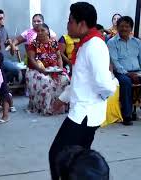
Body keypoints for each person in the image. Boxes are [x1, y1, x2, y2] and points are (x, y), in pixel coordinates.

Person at [49, 2, 116, 180]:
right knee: (76, 159)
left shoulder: (95, 46)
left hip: (85, 114)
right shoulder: (86, 44)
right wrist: (62, 99)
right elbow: (81, 80)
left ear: (82, 24)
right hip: (82, 110)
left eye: (70, 21)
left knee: (58, 155)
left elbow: (105, 84)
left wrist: (100, 98)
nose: (67, 25)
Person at [26, 23, 69, 115]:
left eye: (43, 30)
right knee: (46, 81)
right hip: (36, 70)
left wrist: (60, 69)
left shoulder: (53, 43)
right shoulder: (33, 44)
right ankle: (47, 108)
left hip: (53, 69)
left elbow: (58, 57)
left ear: (48, 32)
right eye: (38, 31)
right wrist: (41, 70)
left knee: (65, 79)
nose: (40, 32)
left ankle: (60, 107)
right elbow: (32, 59)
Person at [107, 16, 141, 126]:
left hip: (137, 71)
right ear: (117, 27)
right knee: (126, 82)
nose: (124, 29)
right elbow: (115, 62)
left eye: (127, 26)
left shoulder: (137, 42)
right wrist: (128, 73)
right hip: (121, 72)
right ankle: (127, 115)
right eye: (122, 26)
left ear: (131, 28)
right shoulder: (112, 42)